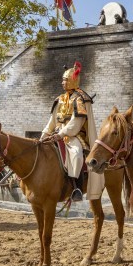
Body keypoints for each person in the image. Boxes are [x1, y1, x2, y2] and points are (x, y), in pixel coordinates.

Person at [41, 61, 96, 203]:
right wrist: (44, 135)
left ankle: (76, 188)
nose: (62, 82)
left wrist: (61, 134)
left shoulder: (80, 99)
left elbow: (75, 123)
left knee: (77, 154)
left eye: (65, 80)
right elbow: (52, 121)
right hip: (56, 134)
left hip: (74, 135)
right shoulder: (59, 99)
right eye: (62, 80)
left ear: (73, 80)